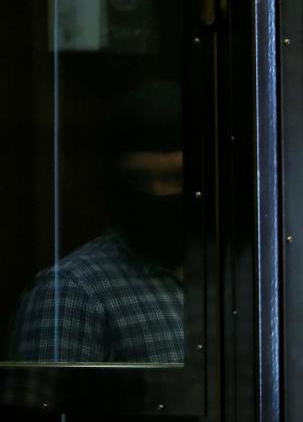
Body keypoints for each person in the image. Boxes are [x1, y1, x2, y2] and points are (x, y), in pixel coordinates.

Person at [7, 81, 184, 365]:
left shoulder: (240, 279)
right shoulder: (71, 293)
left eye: (177, 179)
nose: (158, 194)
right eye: (139, 180)